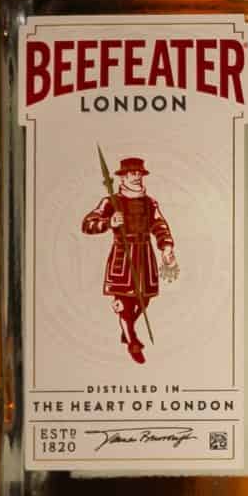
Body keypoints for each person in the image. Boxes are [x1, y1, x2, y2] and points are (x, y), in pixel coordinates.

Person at [80, 156, 177, 364]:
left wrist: (166, 247)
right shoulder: (111, 202)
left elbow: (159, 225)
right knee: (124, 303)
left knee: (144, 300)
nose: (136, 177)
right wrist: (108, 222)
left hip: (145, 256)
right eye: (131, 173)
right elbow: (88, 224)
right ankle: (133, 342)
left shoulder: (150, 202)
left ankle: (128, 327)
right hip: (123, 257)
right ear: (122, 177)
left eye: (139, 173)